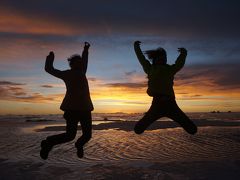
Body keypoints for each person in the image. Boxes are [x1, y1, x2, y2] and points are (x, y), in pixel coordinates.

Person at [40, 42, 94, 160]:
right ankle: (49, 143)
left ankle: (79, 145)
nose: (80, 64)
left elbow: (85, 61)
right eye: (77, 63)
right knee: (70, 135)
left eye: (81, 63)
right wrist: (50, 59)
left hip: (85, 109)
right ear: (72, 64)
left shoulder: (82, 72)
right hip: (71, 110)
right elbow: (49, 69)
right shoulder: (67, 74)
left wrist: (85, 50)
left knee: (87, 135)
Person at [133, 41, 197, 135]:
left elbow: (179, 64)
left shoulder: (170, 69)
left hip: (170, 103)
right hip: (157, 103)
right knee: (138, 129)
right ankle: (139, 128)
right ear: (155, 59)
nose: (163, 59)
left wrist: (183, 53)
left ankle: (191, 129)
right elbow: (141, 59)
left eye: (164, 58)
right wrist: (136, 47)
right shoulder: (150, 69)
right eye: (160, 58)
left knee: (192, 129)